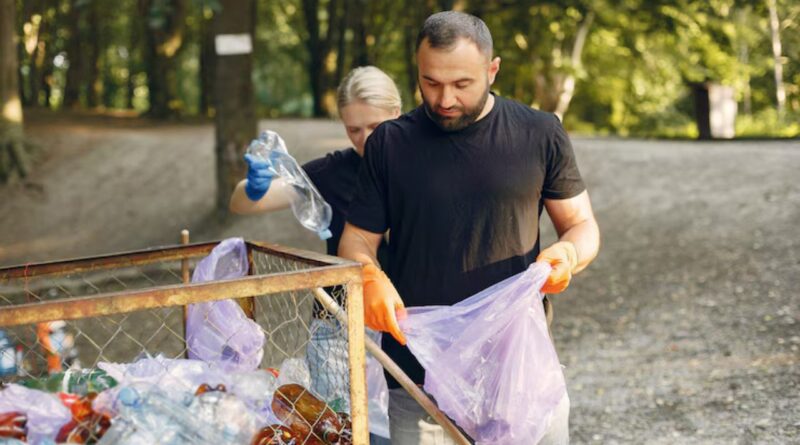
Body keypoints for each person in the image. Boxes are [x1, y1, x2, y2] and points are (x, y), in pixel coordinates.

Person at [338, 11, 600, 445]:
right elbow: (357, 240)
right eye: (431, 83)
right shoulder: (389, 143)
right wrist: (368, 275)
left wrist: (568, 253)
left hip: (516, 367)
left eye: (462, 84)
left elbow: (581, 224)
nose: (444, 100)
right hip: (417, 376)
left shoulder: (540, 133)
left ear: (492, 69)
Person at [229, 66, 401, 445]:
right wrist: (253, 186)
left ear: (397, 114)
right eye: (353, 129)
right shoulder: (331, 172)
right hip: (336, 326)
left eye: (374, 127)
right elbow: (243, 203)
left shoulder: (421, 165)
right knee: (340, 432)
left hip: (404, 320)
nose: (364, 139)